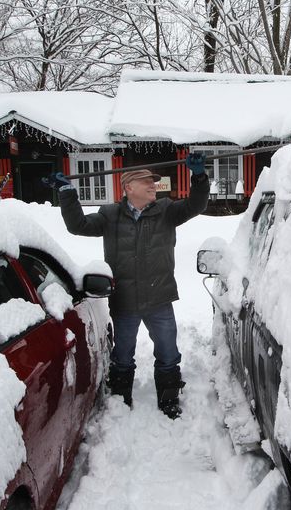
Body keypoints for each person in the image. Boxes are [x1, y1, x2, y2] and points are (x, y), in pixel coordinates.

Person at [44, 154, 209, 418]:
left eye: (154, 182)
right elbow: (78, 225)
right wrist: (66, 193)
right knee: (122, 356)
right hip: (125, 302)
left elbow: (196, 205)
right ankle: (121, 401)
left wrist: (199, 177)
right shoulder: (110, 215)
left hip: (159, 298)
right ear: (129, 187)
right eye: (147, 182)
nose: (154, 185)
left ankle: (169, 400)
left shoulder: (166, 210)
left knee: (168, 353)